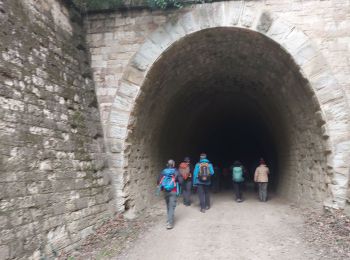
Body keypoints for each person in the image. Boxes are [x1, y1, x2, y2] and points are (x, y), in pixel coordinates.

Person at [158, 159, 182, 229]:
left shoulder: (163, 171)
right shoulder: (176, 171)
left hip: (165, 191)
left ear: (167, 165)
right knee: (172, 206)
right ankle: (170, 223)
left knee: (168, 205)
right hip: (173, 190)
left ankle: (169, 219)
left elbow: (158, 180)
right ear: (173, 165)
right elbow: (181, 181)